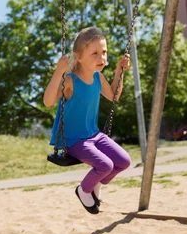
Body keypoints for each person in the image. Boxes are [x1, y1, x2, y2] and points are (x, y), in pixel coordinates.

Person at [43, 27, 132, 214]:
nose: (101, 58)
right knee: (105, 165)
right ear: (80, 57)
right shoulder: (70, 80)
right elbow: (48, 101)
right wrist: (58, 72)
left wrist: (119, 72)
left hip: (94, 135)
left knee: (124, 161)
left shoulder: (98, 77)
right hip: (74, 140)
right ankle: (83, 190)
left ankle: (96, 184)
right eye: (95, 53)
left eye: (104, 52)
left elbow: (114, 95)